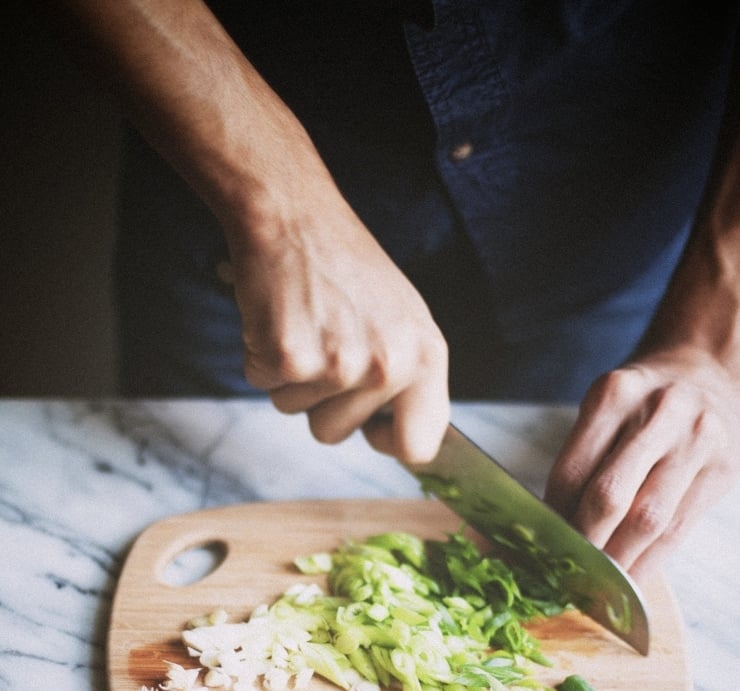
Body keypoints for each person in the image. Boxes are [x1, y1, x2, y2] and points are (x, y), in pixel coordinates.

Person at [48, 0, 740, 583]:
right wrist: (283, 210)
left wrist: (710, 338)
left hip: (612, 228)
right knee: (168, 494)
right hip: (227, 218)